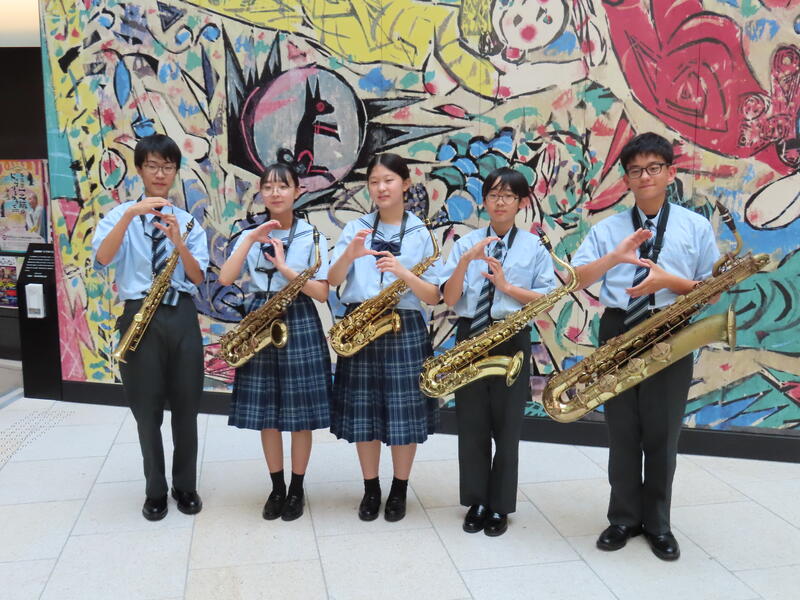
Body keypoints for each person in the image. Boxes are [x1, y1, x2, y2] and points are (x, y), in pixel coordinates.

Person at [571, 132, 719, 560]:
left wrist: (669, 282)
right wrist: (613, 259)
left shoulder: (694, 227)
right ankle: (622, 518)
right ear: (626, 179)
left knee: (662, 432)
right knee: (622, 431)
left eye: (654, 168)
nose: (645, 176)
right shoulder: (608, 229)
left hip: (671, 328)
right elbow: (576, 279)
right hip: (619, 327)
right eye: (636, 170)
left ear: (671, 173)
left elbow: (711, 290)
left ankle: (658, 524)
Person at [92, 133, 209, 520]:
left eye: (167, 166)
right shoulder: (118, 216)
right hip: (138, 313)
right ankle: (155, 490)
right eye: (153, 166)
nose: (160, 173)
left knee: (187, 407)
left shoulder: (188, 222)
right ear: (140, 170)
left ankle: (185, 486)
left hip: (181, 314)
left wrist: (178, 242)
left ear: (175, 172)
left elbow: (197, 277)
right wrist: (129, 215)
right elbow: (103, 259)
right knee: (146, 411)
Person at [327, 153, 443, 522]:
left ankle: (400, 489)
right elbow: (332, 280)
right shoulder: (356, 228)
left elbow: (433, 296)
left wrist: (403, 273)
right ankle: (371, 487)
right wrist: (349, 254)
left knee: (404, 415)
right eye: (374, 181)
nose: (381, 188)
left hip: (403, 325)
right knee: (364, 413)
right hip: (360, 324)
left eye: (388, 180)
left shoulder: (421, 233)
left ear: (405, 184)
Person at [441, 167, 556, 536]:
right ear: (484, 201)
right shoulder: (466, 243)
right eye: (493, 194)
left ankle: (500, 506)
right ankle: (476, 501)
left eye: (508, 195)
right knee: (471, 424)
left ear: (521, 203)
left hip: (511, 337)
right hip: (471, 337)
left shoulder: (534, 247)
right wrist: (464, 262)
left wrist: (507, 287)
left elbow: (547, 298)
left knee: (508, 428)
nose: (500, 202)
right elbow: (449, 298)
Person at [218, 163, 331, 521]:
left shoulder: (312, 236)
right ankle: (277, 487)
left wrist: (286, 270)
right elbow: (226, 277)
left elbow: (322, 293)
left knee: (300, 416)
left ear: (298, 191)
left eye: (283, 186)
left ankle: (297, 489)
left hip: (298, 317)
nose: (276, 193)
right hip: (259, 321)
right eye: (268, 187)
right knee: (266, 413)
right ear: (261, 192)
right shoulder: (248, 234)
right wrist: (250, 239)